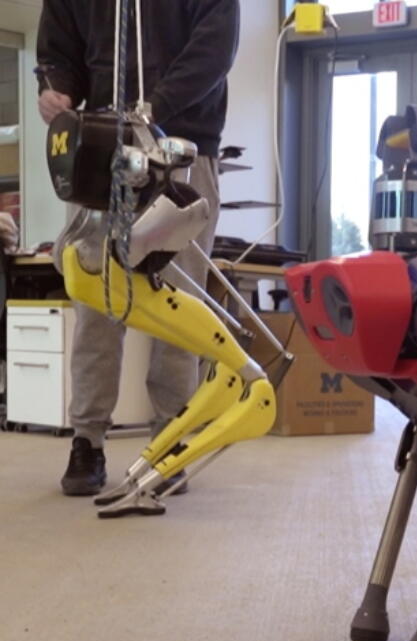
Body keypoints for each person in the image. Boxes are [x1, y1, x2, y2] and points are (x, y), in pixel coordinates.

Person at [36, 0, 240, 495]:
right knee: (95, 297)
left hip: (183, 145)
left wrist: (151, 111)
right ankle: (87, 439)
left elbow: (213, 51)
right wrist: (55, 91)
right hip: (103, 150)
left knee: (179, 302)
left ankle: (171, 438)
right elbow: (59, 52)